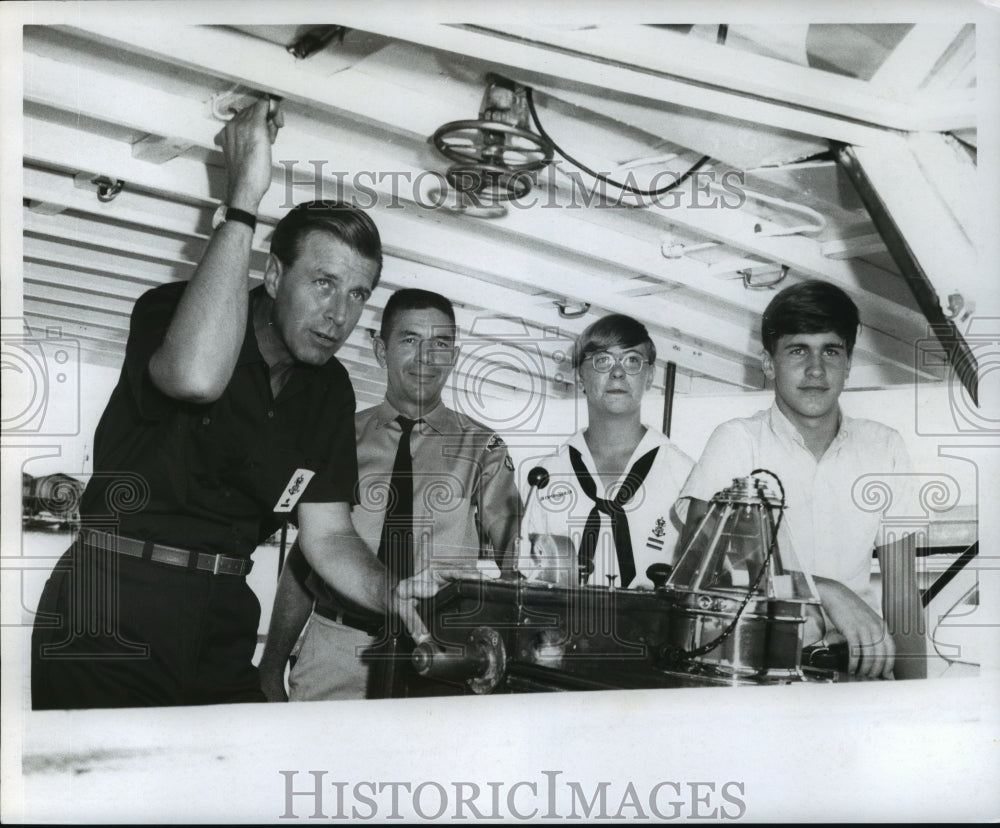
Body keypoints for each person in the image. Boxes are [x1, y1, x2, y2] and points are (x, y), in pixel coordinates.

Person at [30, 99, 418, 709]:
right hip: (110, 607)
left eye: (357, 294)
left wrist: (395, 595)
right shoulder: (172, 310)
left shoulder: (329, 389)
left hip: (223, 623)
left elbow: (329, 535)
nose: (340, 314)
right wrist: (243, 200)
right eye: (323, 283)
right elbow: (194, 379)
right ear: (273, 275)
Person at [259, 289, 522, 701]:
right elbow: (303, 561)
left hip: (437, 652)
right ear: (381, 350)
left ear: (453, 356)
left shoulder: (483, 448)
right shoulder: (336, 436)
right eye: (410, 340)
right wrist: (271, 665)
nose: (425, 357)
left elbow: (516, 565)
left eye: (440, 344)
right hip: (337, 652)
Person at [677, 279, 926, 680]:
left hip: (855, 674)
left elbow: (902, 596)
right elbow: (698, 573)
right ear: (769, 363)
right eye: (798, 350)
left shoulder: (885, 447)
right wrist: (824, 590)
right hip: (754, 670)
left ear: (847, 364)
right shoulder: (737, 441)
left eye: (831, 351)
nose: (815, 369)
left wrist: (921, 704)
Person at [515, 314, 694, 590]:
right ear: (580, 377)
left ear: (649, 377)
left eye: (633, 360)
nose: (619, 372)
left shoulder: (685, 475)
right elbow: (527, 578)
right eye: (603, 360)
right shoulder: (546, 475)